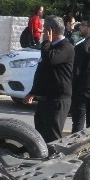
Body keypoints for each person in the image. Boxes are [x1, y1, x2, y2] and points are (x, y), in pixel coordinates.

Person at [24, 15, 74, 143]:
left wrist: (46, 41)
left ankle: (56, 160)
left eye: (44, 29)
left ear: (52, 31)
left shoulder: (66, 47)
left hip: (58, 99)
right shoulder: (49, 47)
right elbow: (41, 71)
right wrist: (33, 91)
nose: (41, 32)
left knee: (53, 136)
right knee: (40, 134)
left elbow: (50, 59)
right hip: (45, 98)